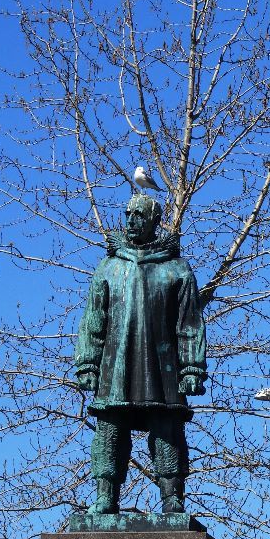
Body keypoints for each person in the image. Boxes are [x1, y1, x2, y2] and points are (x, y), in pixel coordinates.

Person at [75, 193, 207, 514]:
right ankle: (105, 494)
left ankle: (172, 494)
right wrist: (88, 364)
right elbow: (94, 320)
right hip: (115, 365)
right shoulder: (108, 267)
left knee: (167, 429)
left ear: (154, 221)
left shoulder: (177, 270)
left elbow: (188, 323)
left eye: (139, 216)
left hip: (162, 369)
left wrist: (191, 368)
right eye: (128, 214)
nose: (132, 221)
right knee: (110, 429)